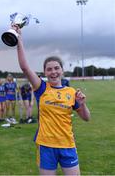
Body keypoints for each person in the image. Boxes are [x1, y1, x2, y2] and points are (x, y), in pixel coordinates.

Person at [14, 25, 91, 175]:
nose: (53, 72)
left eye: (56, 68)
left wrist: (83, 104)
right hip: (46, 145)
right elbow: (25, 67)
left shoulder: (71, 92)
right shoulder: (41, 88)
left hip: (68, 145)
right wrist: (18, 39)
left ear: (62, 70)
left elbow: (86, 118)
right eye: (49, 69)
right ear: (45, 72)